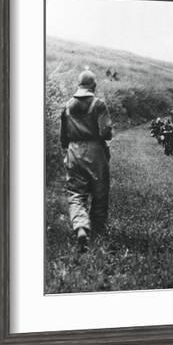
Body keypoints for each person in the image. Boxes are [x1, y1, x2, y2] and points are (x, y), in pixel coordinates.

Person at [60, 68, 113, 251]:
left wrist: (68, 151)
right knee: (100, 192)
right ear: (94, 85)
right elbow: (106, 133)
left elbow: (63, 137)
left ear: (78, 84)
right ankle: (98, 232)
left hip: (73, 151)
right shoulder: (98, 104)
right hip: (95, 151)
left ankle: (81, 226)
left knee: (76, 193)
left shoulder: (67, 105)